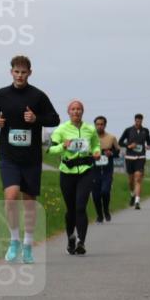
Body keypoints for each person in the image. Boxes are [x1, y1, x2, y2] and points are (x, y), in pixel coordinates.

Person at [0, 56, 60, 264]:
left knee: (29, 203)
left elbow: (54, 119)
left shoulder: (38, 96)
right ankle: (14, 240)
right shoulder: (1, 94)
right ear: (11, 72)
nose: (20, 75)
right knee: (10, 197)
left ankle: (28, 244)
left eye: (23, 72)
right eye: (16, 72)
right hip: (8, 155)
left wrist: (37, 119)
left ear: (30, 73)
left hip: (31, 158)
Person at [49, 100, 101, 255]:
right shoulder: (61, 129)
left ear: (82, 112)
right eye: (73, 109)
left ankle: (81, 242)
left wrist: (97, 152)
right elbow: (51, 149)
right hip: (67, 172)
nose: (76, 112)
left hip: (86, 170)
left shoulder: (90, 129)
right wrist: (62, 146)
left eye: (79, 109)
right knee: (71, 209)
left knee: (80, 207)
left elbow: (96, 145)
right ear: (68, 112)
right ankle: (71, 237)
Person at [117, 114, 150, 210]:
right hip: (129, 158)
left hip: (141, 157)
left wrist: (148, 145)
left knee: (138, 179)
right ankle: (132, 194)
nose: (138, 122)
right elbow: (120, 142)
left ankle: (137, 201)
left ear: (142, 121)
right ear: (134, 120)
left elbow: (148, 140)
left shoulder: (145, 131)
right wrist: (129, 145)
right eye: (137, 121)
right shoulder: (128, 130)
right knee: (131, 181)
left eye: (140, 121)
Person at [90, 116, 121, 223]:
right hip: (94, 170)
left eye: (101, 124)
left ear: (105, 125)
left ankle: (106, 210)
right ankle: (99, 215)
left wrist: (111, 153)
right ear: (95, 125)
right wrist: (92, 155)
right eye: (97, 124)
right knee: (95, 194)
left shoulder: (111, 138)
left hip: (107, 169)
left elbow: (118, 152)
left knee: (105, 191)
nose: (99, 126)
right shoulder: (90, 138)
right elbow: (85, 153)